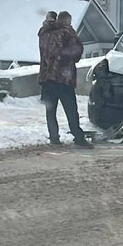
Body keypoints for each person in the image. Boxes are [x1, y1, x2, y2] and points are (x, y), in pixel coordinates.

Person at [38, 11, 93, 148]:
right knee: (71, 110)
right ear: (67, 20)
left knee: (50, 110)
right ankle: (78, 137)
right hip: (63, 78)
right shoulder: (67, 33)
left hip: (47, 79)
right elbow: (76, 54)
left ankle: (54, 138)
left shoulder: (43, 33)